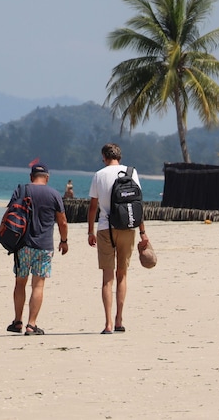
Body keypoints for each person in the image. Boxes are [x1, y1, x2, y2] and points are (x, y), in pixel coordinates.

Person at [87, 143, 145, 334]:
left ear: (104, 157)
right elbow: (137, 203)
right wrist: (142, 232)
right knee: (122, 274)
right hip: (127, 227)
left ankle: (108, 324)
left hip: (105, 228)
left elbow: (93, 207)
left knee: (107, 278)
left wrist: (90, 231)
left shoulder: (99, 175)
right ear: (119, 157)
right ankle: (119, 319)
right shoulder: (131, 172)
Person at [6, 163, 68, 336]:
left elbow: (10, 213)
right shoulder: (54, 194)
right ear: (47, 177)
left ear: (31, 177)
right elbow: (62, 222)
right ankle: (31, 325)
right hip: (43, 246)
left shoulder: (21, 190)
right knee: (38, 285)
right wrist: (64, 241)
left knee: (20, 283)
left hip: (22, 245)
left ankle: (17, 321)